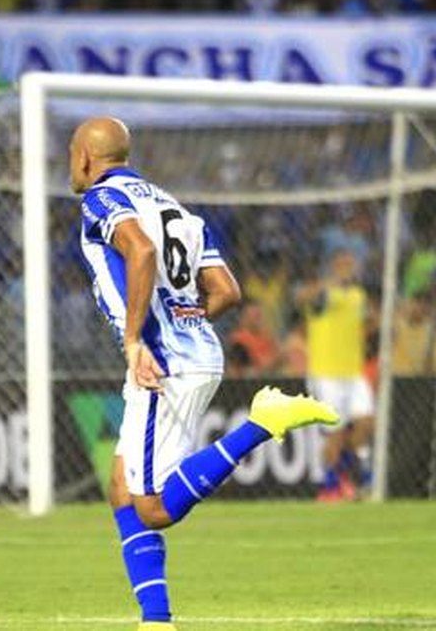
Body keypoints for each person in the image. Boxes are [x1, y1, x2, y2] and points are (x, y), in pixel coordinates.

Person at [70, 116, 337, 631]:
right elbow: (226, 290)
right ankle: (156, 620)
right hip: (193, 350)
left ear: (85, 156)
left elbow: (141, 251)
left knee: (152, 509)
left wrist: (135, 341)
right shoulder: (175, 207)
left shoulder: (102, 199)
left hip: (160, 360)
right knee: (122, 486)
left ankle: (262, 422)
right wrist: (183, 319)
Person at [296, 249, 373, 502]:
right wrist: (329, 282)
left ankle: (353, 475)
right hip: (326, 373)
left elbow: (365, 324)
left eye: (350, 264)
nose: (347, 269)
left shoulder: (358, 295)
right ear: (333, 267)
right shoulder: (323, 294)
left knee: (365, 423)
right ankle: (330, 487)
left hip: (354, 372)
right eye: (342, 264)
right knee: (335, 433)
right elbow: (301, 298)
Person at [227, 301, 279, 377]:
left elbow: (279, 357)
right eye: (255, 316)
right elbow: (252, 368)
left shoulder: (267, 335)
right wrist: (272, 361)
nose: (258, 320)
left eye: (259, 316)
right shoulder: (238, 339)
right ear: (244, 317)